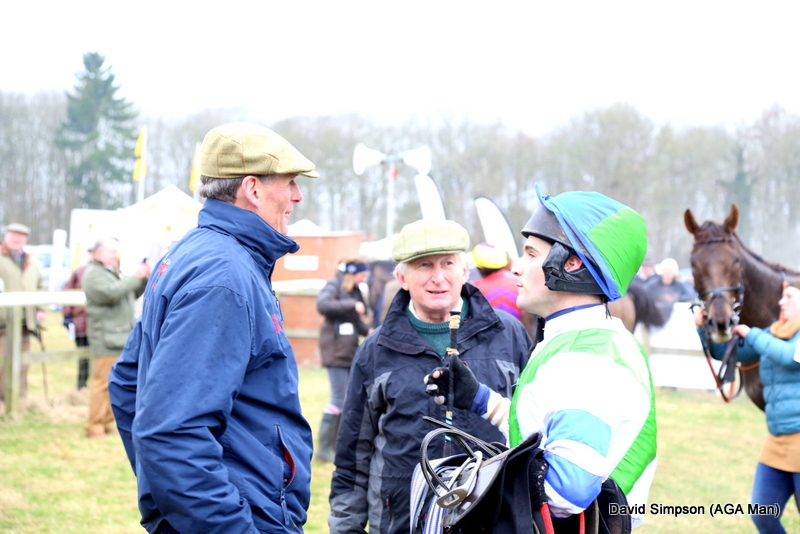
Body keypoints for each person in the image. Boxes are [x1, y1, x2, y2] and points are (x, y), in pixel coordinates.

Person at [108, 122, 319, 534]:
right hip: (241, 517)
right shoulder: (223, 277)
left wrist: (166, 499)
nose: (297, 196)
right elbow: (171, 432)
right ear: (253, 189)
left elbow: (128, 385)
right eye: (290, 183)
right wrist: (220, 520)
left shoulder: (197, 253)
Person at [425, 184, 658, 531]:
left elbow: (566, 490)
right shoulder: (597, 339)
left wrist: (474, 486)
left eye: (531, 254)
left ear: (572, 262)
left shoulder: (585, 362)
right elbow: (545, 435)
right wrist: (480, 399)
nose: (518, 268)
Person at [328, 218, 533, 534]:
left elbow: (534, 430)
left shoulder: (509, 335)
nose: (438, 277)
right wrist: (347, 529)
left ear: (465, 270)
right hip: (402, 522)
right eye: (424, 265)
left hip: (493, 519)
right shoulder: (374, 350)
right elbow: (352, 458)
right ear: (402, 277)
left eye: (448, 263)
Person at [696, 281, 800, 534]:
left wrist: (752, 334)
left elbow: (788, 357)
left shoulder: (764, 336)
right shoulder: (772, 332)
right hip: (777, 440)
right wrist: (702, 328)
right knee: (762, 514)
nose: (781, 301)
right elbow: (724, 352)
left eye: (789, 296)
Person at [82, 237, 150, 438]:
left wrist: (142, 278)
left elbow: (128, 294)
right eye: (112, 252)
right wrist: (134, 276)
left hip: (119, 337)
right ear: (98, 253)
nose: (116, 255)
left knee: (115, 383)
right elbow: (111, 294)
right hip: (105, 338)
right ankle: (93, 425)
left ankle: (106, 421)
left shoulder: (112, 272)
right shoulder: (93, 274)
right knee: (102, 383)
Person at [315, 258, 372, 462]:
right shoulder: (334, 285)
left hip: (349, 350)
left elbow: (356, 321)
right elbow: (323, 305)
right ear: (352, 273)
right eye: (362, 275)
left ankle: (336, 446)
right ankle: (323, 448)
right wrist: (352, 304)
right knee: (338, 398)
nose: (364, 279)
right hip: (335, 350)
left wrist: (370, 332)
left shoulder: (354, 290)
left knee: (347, 398)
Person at [0, 222, 46, 403]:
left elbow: (41, 286)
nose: (16, 240)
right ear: (6, 237)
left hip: (26, 323)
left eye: (20, 237)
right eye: (13, 236)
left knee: (23, 363)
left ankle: (20, 400)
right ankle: (4, 402)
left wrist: (40, 309)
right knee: (3, 363)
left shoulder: (31, 261)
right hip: (3, 323)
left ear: (25, 239)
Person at [62, 261, 90, 389]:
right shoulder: (79, 271)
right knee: (83, 359)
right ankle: (81, 387)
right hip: (81, 323)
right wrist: (67, 316)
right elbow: (68, 292)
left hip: (99, 325)